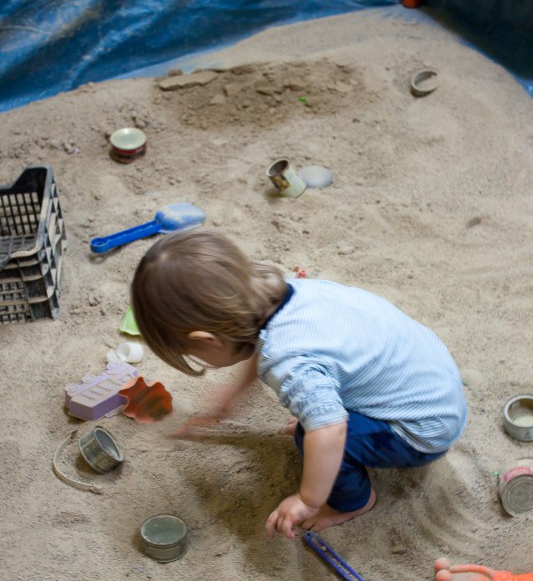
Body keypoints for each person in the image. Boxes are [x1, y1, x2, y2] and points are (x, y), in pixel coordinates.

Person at [131, 229, 467, 540]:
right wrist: (234, 393)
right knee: (319, 414)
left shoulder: (287, 360)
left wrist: (308, 499)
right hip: (433, 383)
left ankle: (352, 502)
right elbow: (259, 343)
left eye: (195, 355)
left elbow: (330, 429)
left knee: (314, 436)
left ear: (206, 340)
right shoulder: (289, 293)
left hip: (422, 432)